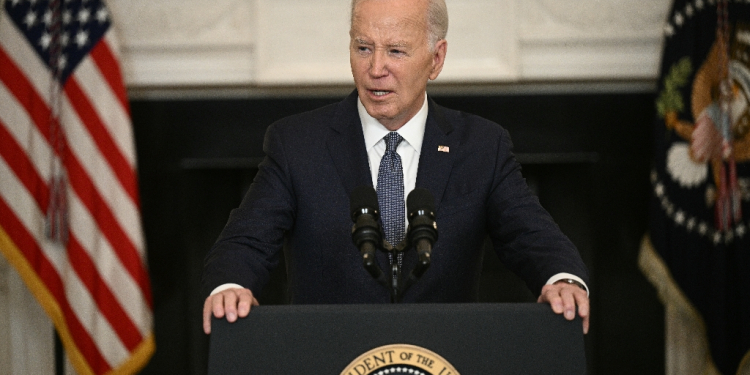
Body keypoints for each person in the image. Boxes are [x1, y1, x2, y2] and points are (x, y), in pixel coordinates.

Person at [202, 0, 590, 335]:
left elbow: (532, 236)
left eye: (396, 52)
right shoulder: (297, 144)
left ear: (436, 59)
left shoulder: (481, 147)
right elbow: (246, 241)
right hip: (330, 355)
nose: (376, 68)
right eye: (363, 47)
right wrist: (231, 286)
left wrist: (562, 279)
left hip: (443, 356)